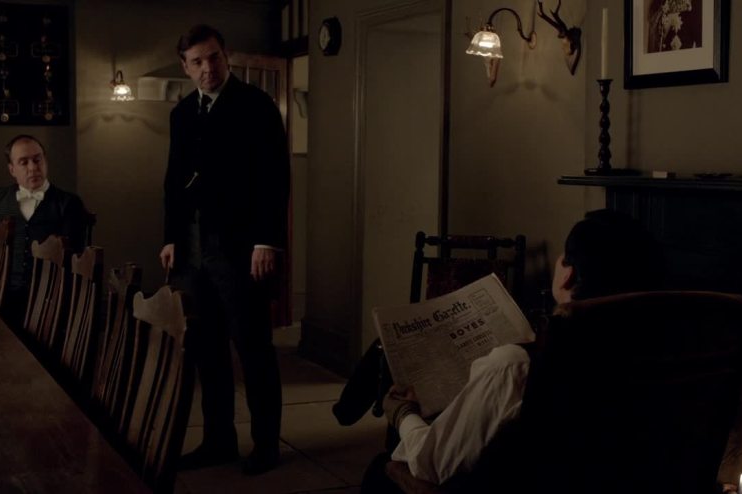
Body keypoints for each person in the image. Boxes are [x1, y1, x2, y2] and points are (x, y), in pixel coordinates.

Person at [361, 209, 665, 492]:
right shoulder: (663, 361)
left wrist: (403, 415)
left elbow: (430, 465)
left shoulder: (515, 367)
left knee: (381, 467)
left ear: (568, 275)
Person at [159, 24, 290, 476]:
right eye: (197, 61)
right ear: (185, 66)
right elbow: (173, 182)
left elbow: (274, 179)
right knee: (206, 349)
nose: (207, 68)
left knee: (253, 348)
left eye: (213, 57)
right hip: (192, 250)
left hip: (241, 247)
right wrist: (171, 237)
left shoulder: (256, 105)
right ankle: (219, 441)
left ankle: (267, 445)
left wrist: (266, 241)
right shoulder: (182, 113)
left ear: (225, 55)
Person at [0, 134, 87, 324]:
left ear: (45, 161)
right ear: (12, 169)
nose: (33, 167)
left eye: (37, 159)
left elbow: (74, 257)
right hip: (3, 297)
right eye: (24, 162)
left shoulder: (69, 203)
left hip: (52, 300)